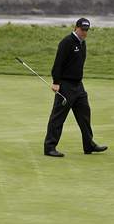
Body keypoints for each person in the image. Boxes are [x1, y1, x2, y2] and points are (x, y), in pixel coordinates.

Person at [44, 18, 108, 157]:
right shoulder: (66, 42)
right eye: (82, 30)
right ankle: (49, 147)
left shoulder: (82, 43)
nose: (84, 33)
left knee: (85, 115)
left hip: (78, 86)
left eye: (86, 30)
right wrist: (56, 82)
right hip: (66, 85)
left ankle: (89, 145)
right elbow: (58, 64)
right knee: (58, 117)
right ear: (76, 28)